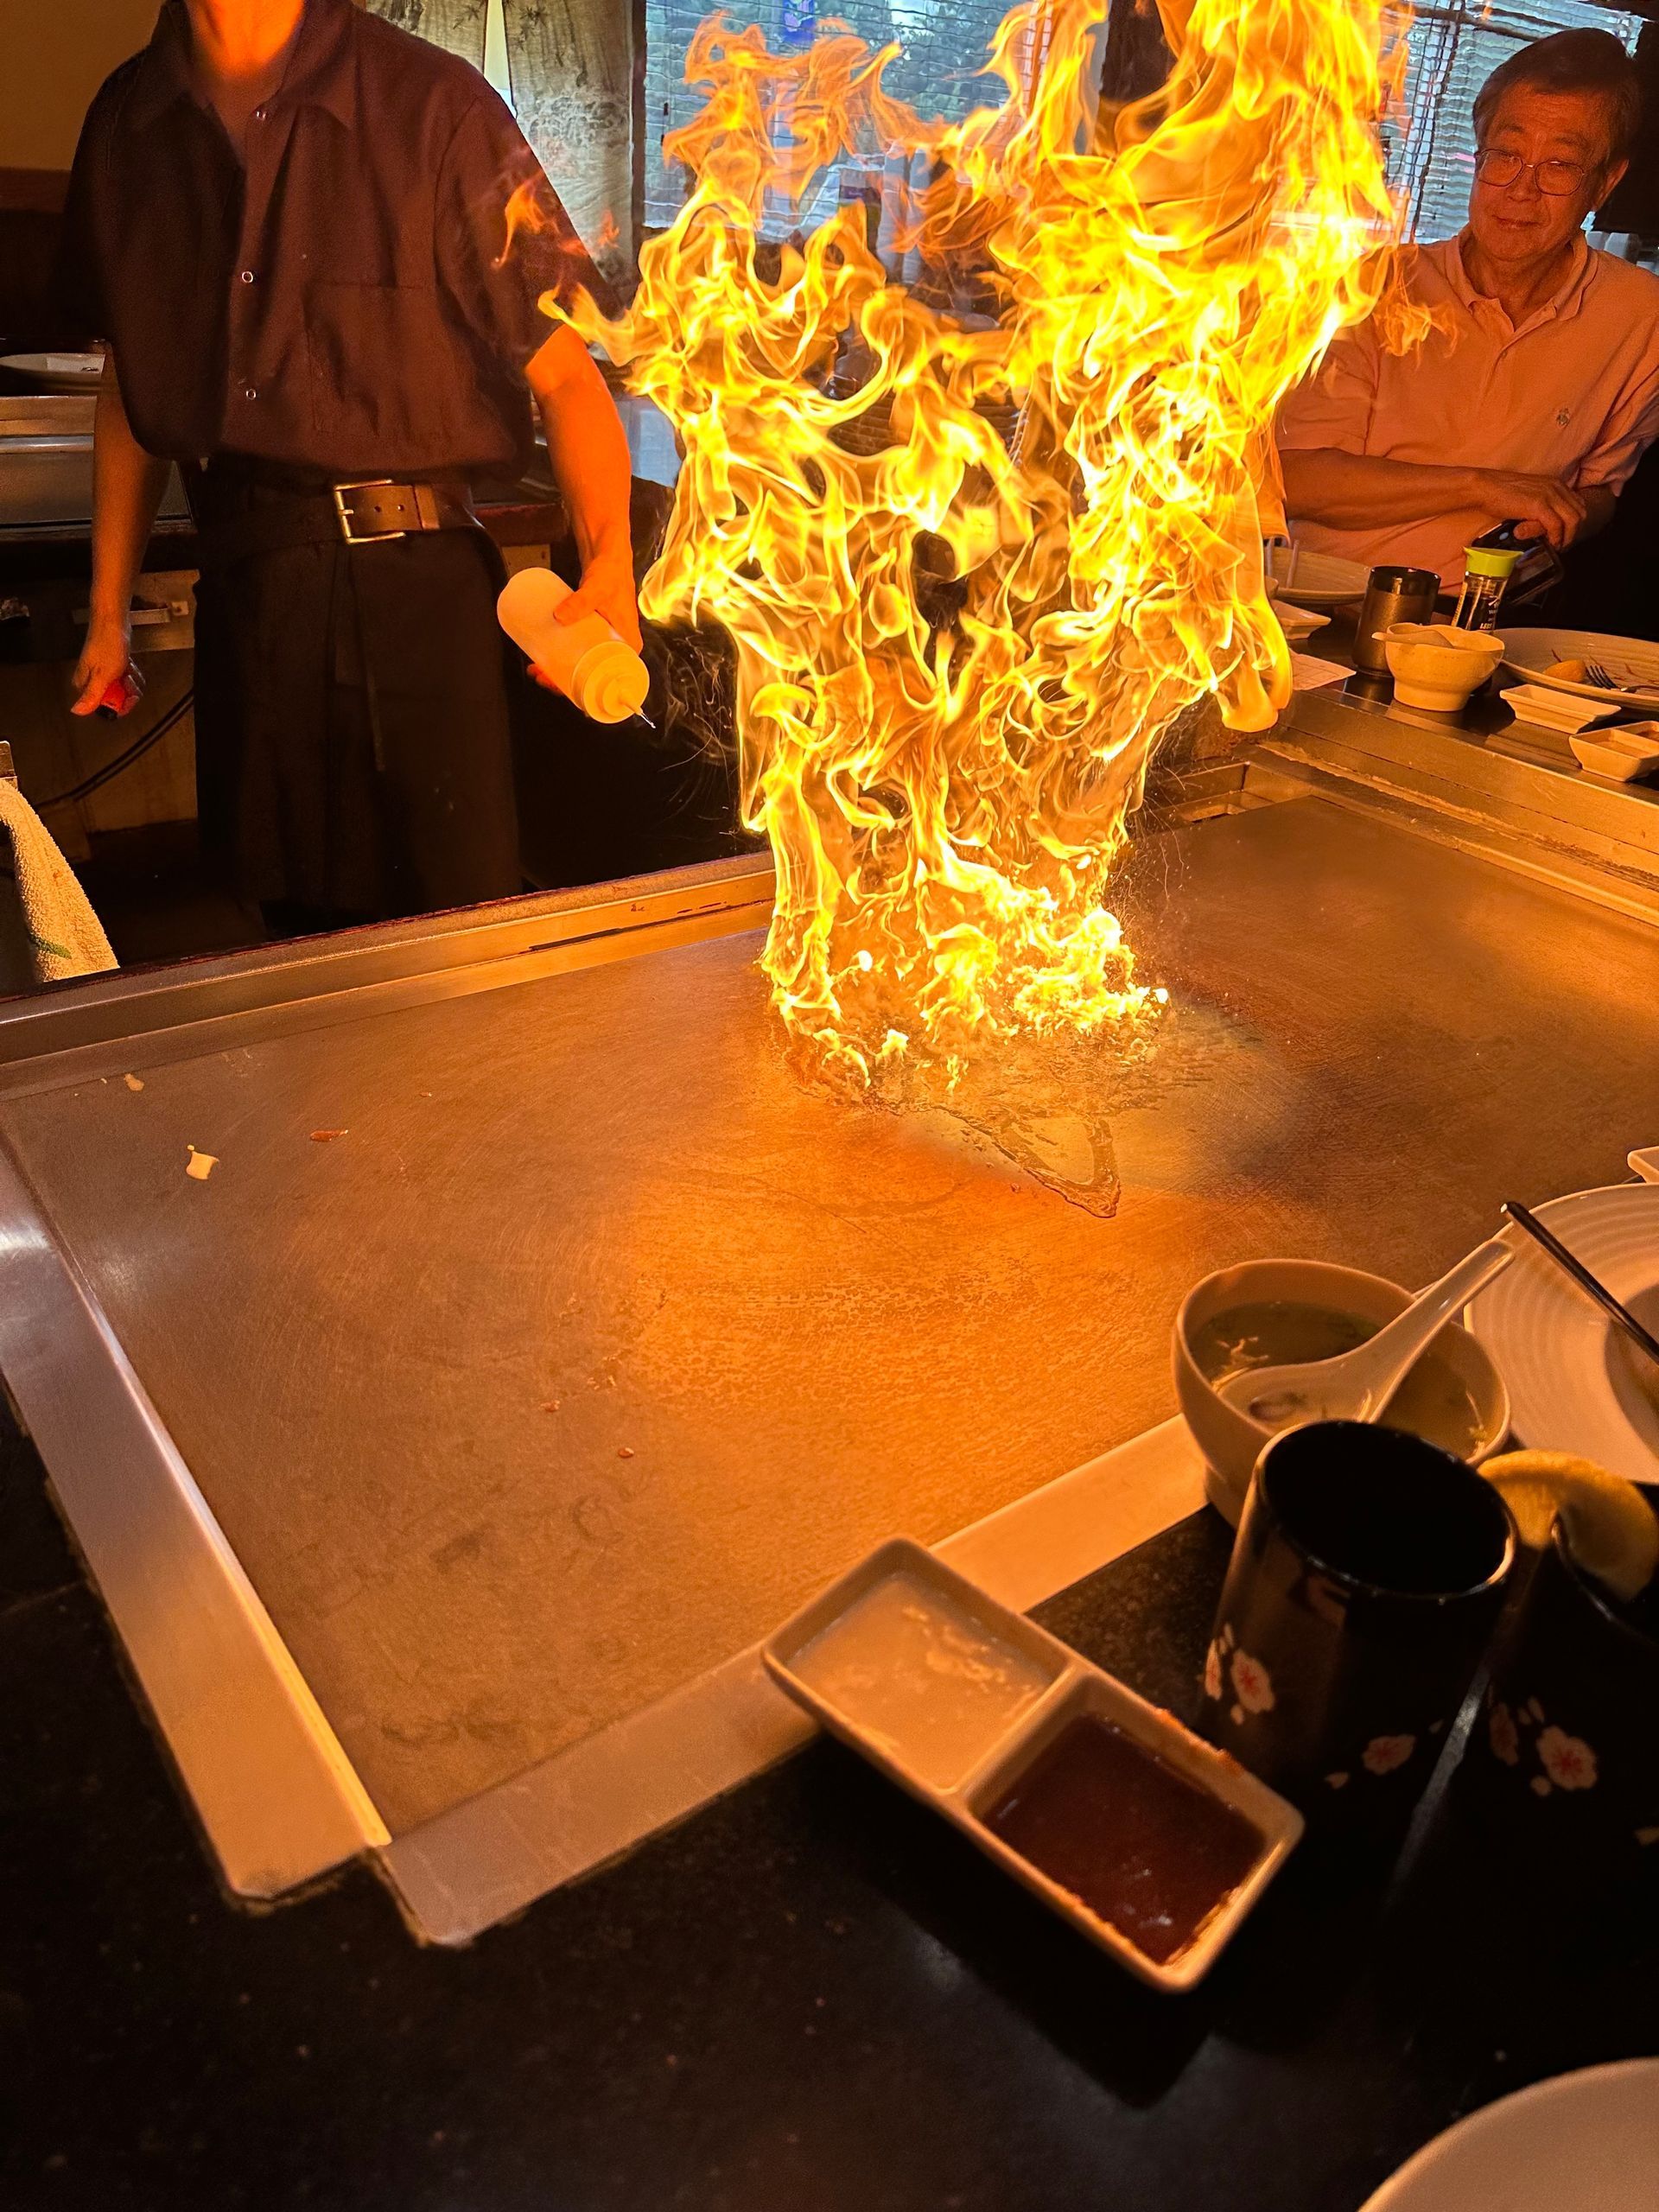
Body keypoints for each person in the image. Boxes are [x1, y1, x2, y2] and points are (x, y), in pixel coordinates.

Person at [60, 0, 639, 936]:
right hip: (252, 601)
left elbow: (567, 376)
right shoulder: (126, 125)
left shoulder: (436, 105)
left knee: (460, 944)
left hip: (423, 603)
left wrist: (610, 562)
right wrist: (106, 615)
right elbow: (131, 385)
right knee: (294, 957)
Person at [1276, 29, 1659, 588]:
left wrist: (1570, 516)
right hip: (1329, 598)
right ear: (1478, 158)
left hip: (1486, 618)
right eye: (1506, 155)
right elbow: (1297, 481)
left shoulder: (1641, 316)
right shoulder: (1376, 286)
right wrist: (1483, 486)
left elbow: (1600, 491)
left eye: (1559, 165)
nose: (1521, 190)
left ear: (1605, 183)